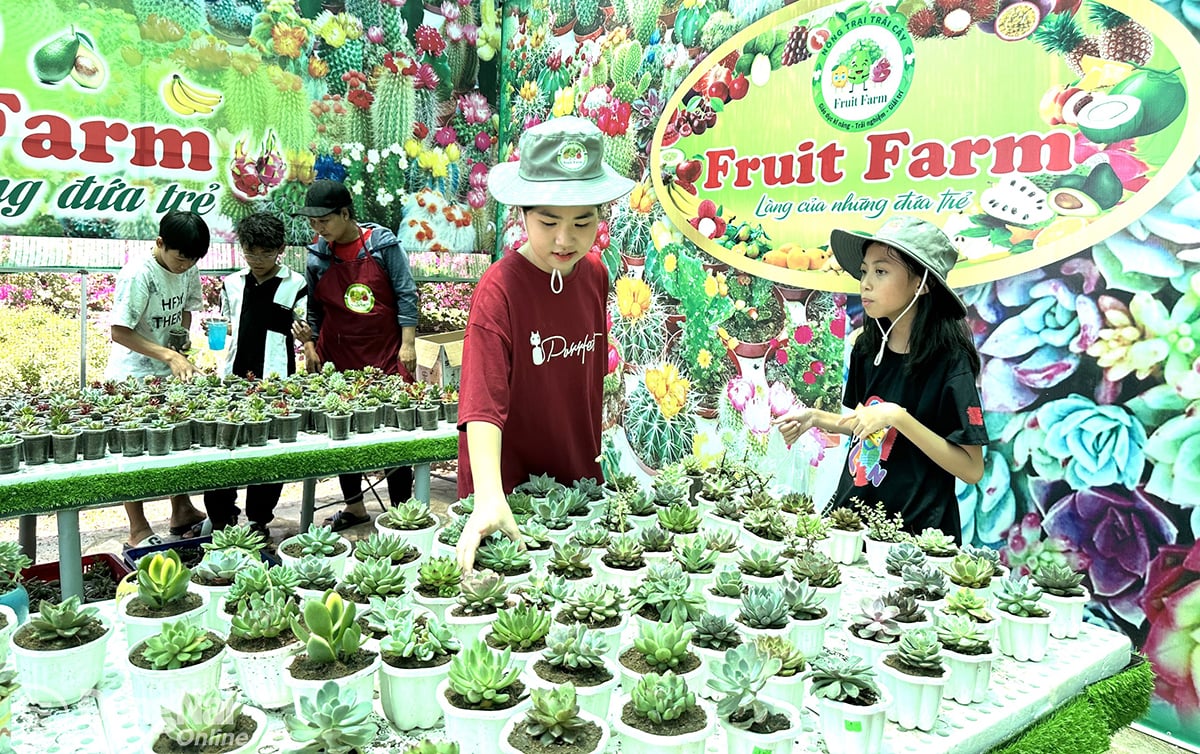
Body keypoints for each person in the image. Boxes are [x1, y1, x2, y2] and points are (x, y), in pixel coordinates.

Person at [455, 116, 634, 571]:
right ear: (522, 215)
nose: (564, 239)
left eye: (582, 222)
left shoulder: (594, 273)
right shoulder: (499, 290)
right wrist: (490, 496)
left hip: (579, 488)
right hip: (509, 499)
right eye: (549, 221)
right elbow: (481, 405)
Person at [773, 215, 989, 541]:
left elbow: (972, 469)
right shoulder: (867, 346)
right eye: (864, 271)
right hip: (852, 523)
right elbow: (867, 426)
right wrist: (815, 418)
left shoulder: (951, 363)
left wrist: (898, 416)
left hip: (916, 537)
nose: (866, 283)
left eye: (881, 271)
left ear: (921, 283)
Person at [294, 179, 418, 531]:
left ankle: (401, 509)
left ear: (345, 214)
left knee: (396, 430)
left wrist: (408, 343)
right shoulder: (319, 254)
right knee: (342, 431)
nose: (318, 229)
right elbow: (315, 308)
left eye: (324, 221)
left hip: (385, 352)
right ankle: (355, 507)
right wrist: (311, 344)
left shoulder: (381, 244)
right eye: (313, 223)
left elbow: (406, 293)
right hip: (338, 354)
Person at [106, 210, 210, 547]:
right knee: (133, 452)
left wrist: (180, 338)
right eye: (181, 258)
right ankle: (137, 526)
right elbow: (119, 332)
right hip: (133, 376)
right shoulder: (138, 274)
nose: (186, 265)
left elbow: (186, 308)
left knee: (177, 442)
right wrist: (167, 354)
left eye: (193, 260)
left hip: (169, 370)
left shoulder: (187, 266)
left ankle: (181, 510)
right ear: (160, 243)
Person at [202, 212, 308, 541]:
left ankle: (259, 520)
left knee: (269, 452)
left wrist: (307, 337)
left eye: (266, 252)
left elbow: (303, 328)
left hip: (276, 384)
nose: (258, 259)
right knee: (225, 450)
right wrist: (214, 330)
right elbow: (232, 324)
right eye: (251, 251)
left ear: (281, 248)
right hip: (233, 381)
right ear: (242, 248)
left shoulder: (296, 284)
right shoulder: (232, 284)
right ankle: (221, 519)